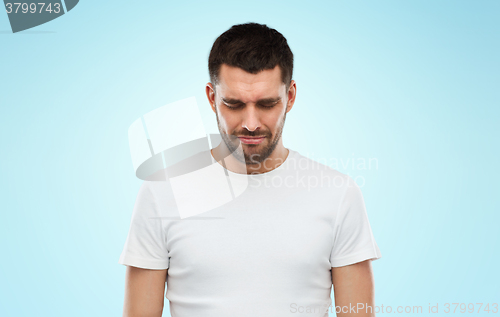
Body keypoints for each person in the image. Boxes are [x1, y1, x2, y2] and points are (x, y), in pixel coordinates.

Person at [119, 22, 381, 317]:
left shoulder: (338, 194)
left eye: (267, 104)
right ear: (211, 98)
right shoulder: (162, 192)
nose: (251, 123)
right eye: (233, 104)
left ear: (290, 97)